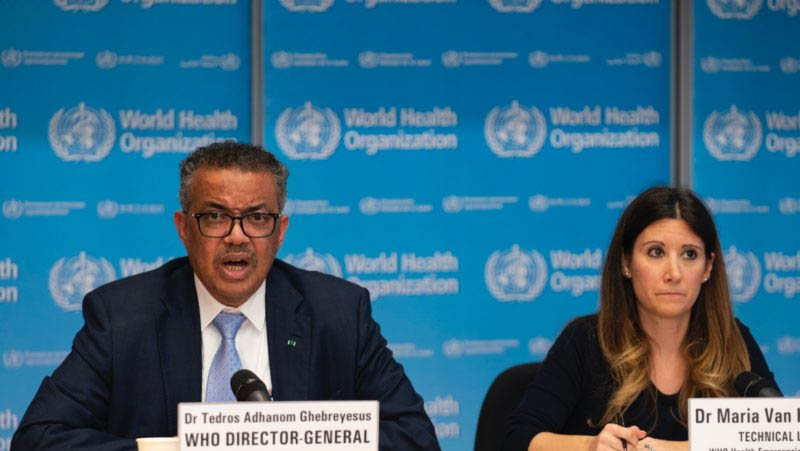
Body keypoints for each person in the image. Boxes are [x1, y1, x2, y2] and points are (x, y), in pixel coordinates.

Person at [12, 141, 440, 451]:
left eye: (257, 218)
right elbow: (38, 439)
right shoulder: (123, 317)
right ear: (184, 228)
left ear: (280, 231)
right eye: (216, 216)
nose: (237, 237)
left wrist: (299, 441)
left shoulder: (338, 312)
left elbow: (415, 437)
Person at [503, 186, 779, 451]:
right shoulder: (586, 340)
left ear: (707, 267)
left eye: (689, 254)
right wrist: (589, 446)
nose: (674, 273)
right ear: (626, 262)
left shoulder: (731, 340)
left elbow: (779, 437)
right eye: (656, 252)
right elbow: (518, 439)